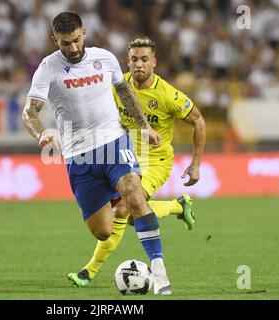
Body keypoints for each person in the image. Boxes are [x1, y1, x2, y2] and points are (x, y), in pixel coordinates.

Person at [22, 13, 172, 295]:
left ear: (85, 33)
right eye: (66, 43)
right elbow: (29, 111)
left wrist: (144, 127)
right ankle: (142, 202)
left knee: (135, 194)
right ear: (55, 40)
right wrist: (40, 133)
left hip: (114, 143)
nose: (74, 48)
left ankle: (160, 270)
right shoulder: (47, 69)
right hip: (79, 157)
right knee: (103, 230)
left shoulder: (105, 58)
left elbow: (125, 92)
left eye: (77, 40)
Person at [68, 37, 206, 288]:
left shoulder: (168, 95)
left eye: (144, 59)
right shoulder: (118, 86)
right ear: (127, 61)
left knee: (124, 210)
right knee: (132, 217)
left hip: (156, 161)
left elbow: (199, 121)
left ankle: (89, 271)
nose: (138, 64)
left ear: (154, 62)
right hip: (125, 156)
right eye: (134, 59)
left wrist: (196, 163)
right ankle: (178, 206)